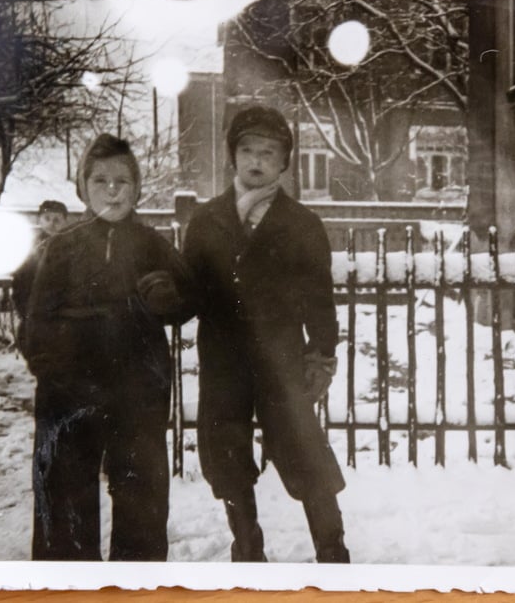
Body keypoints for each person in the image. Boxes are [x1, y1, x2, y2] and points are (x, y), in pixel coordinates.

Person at [173, 105, 350, 563]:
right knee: (227, 458)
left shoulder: (302, 224)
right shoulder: (207, 220)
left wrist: (321, 354)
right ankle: (247, 549)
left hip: (281, 361)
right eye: (248, 150)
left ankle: (332, 549)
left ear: (284, 162)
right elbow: (188, 292)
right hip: (224, 362)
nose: (256, 160)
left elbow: (319, 298)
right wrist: (166, 290)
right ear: (233, 156)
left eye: (268, 152)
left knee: (305, 453)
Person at [23, 134, 189, 561]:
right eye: (100, 181)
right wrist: (52, 367)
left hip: (138, 388)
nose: (112, 190)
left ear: (136, 188)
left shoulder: (153, 244)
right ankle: (67, 586)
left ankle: (134, 584)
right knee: (64, 497)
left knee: (141, 496)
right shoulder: (61, 247)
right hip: (69, 390)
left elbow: (188, 300)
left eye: (122, 181)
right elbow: (36, 320)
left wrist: (169, 297)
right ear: (84, 188)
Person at [12, 200, 68, 359]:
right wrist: (25, 311)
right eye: (47, 218)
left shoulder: (71, 248)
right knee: (36, 356)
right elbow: (19, 282)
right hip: (35, 312)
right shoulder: (30, 248)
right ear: (39, 220)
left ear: (65, 222)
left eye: (57, 219)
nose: (52, 224)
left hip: (62, 316)